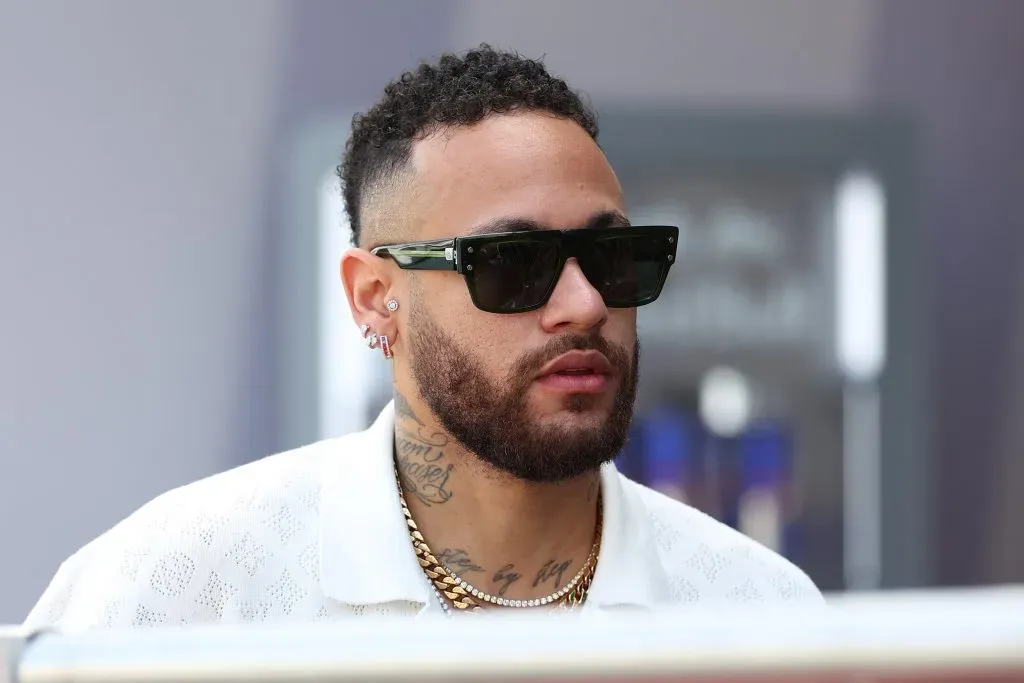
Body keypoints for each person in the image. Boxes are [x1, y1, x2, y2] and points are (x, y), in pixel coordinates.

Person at [25, 45, 821, 630]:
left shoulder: (759, 613)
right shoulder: (182, 585)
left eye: (613, 257)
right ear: (375, 298)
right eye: (511, 264)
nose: (582, 304)